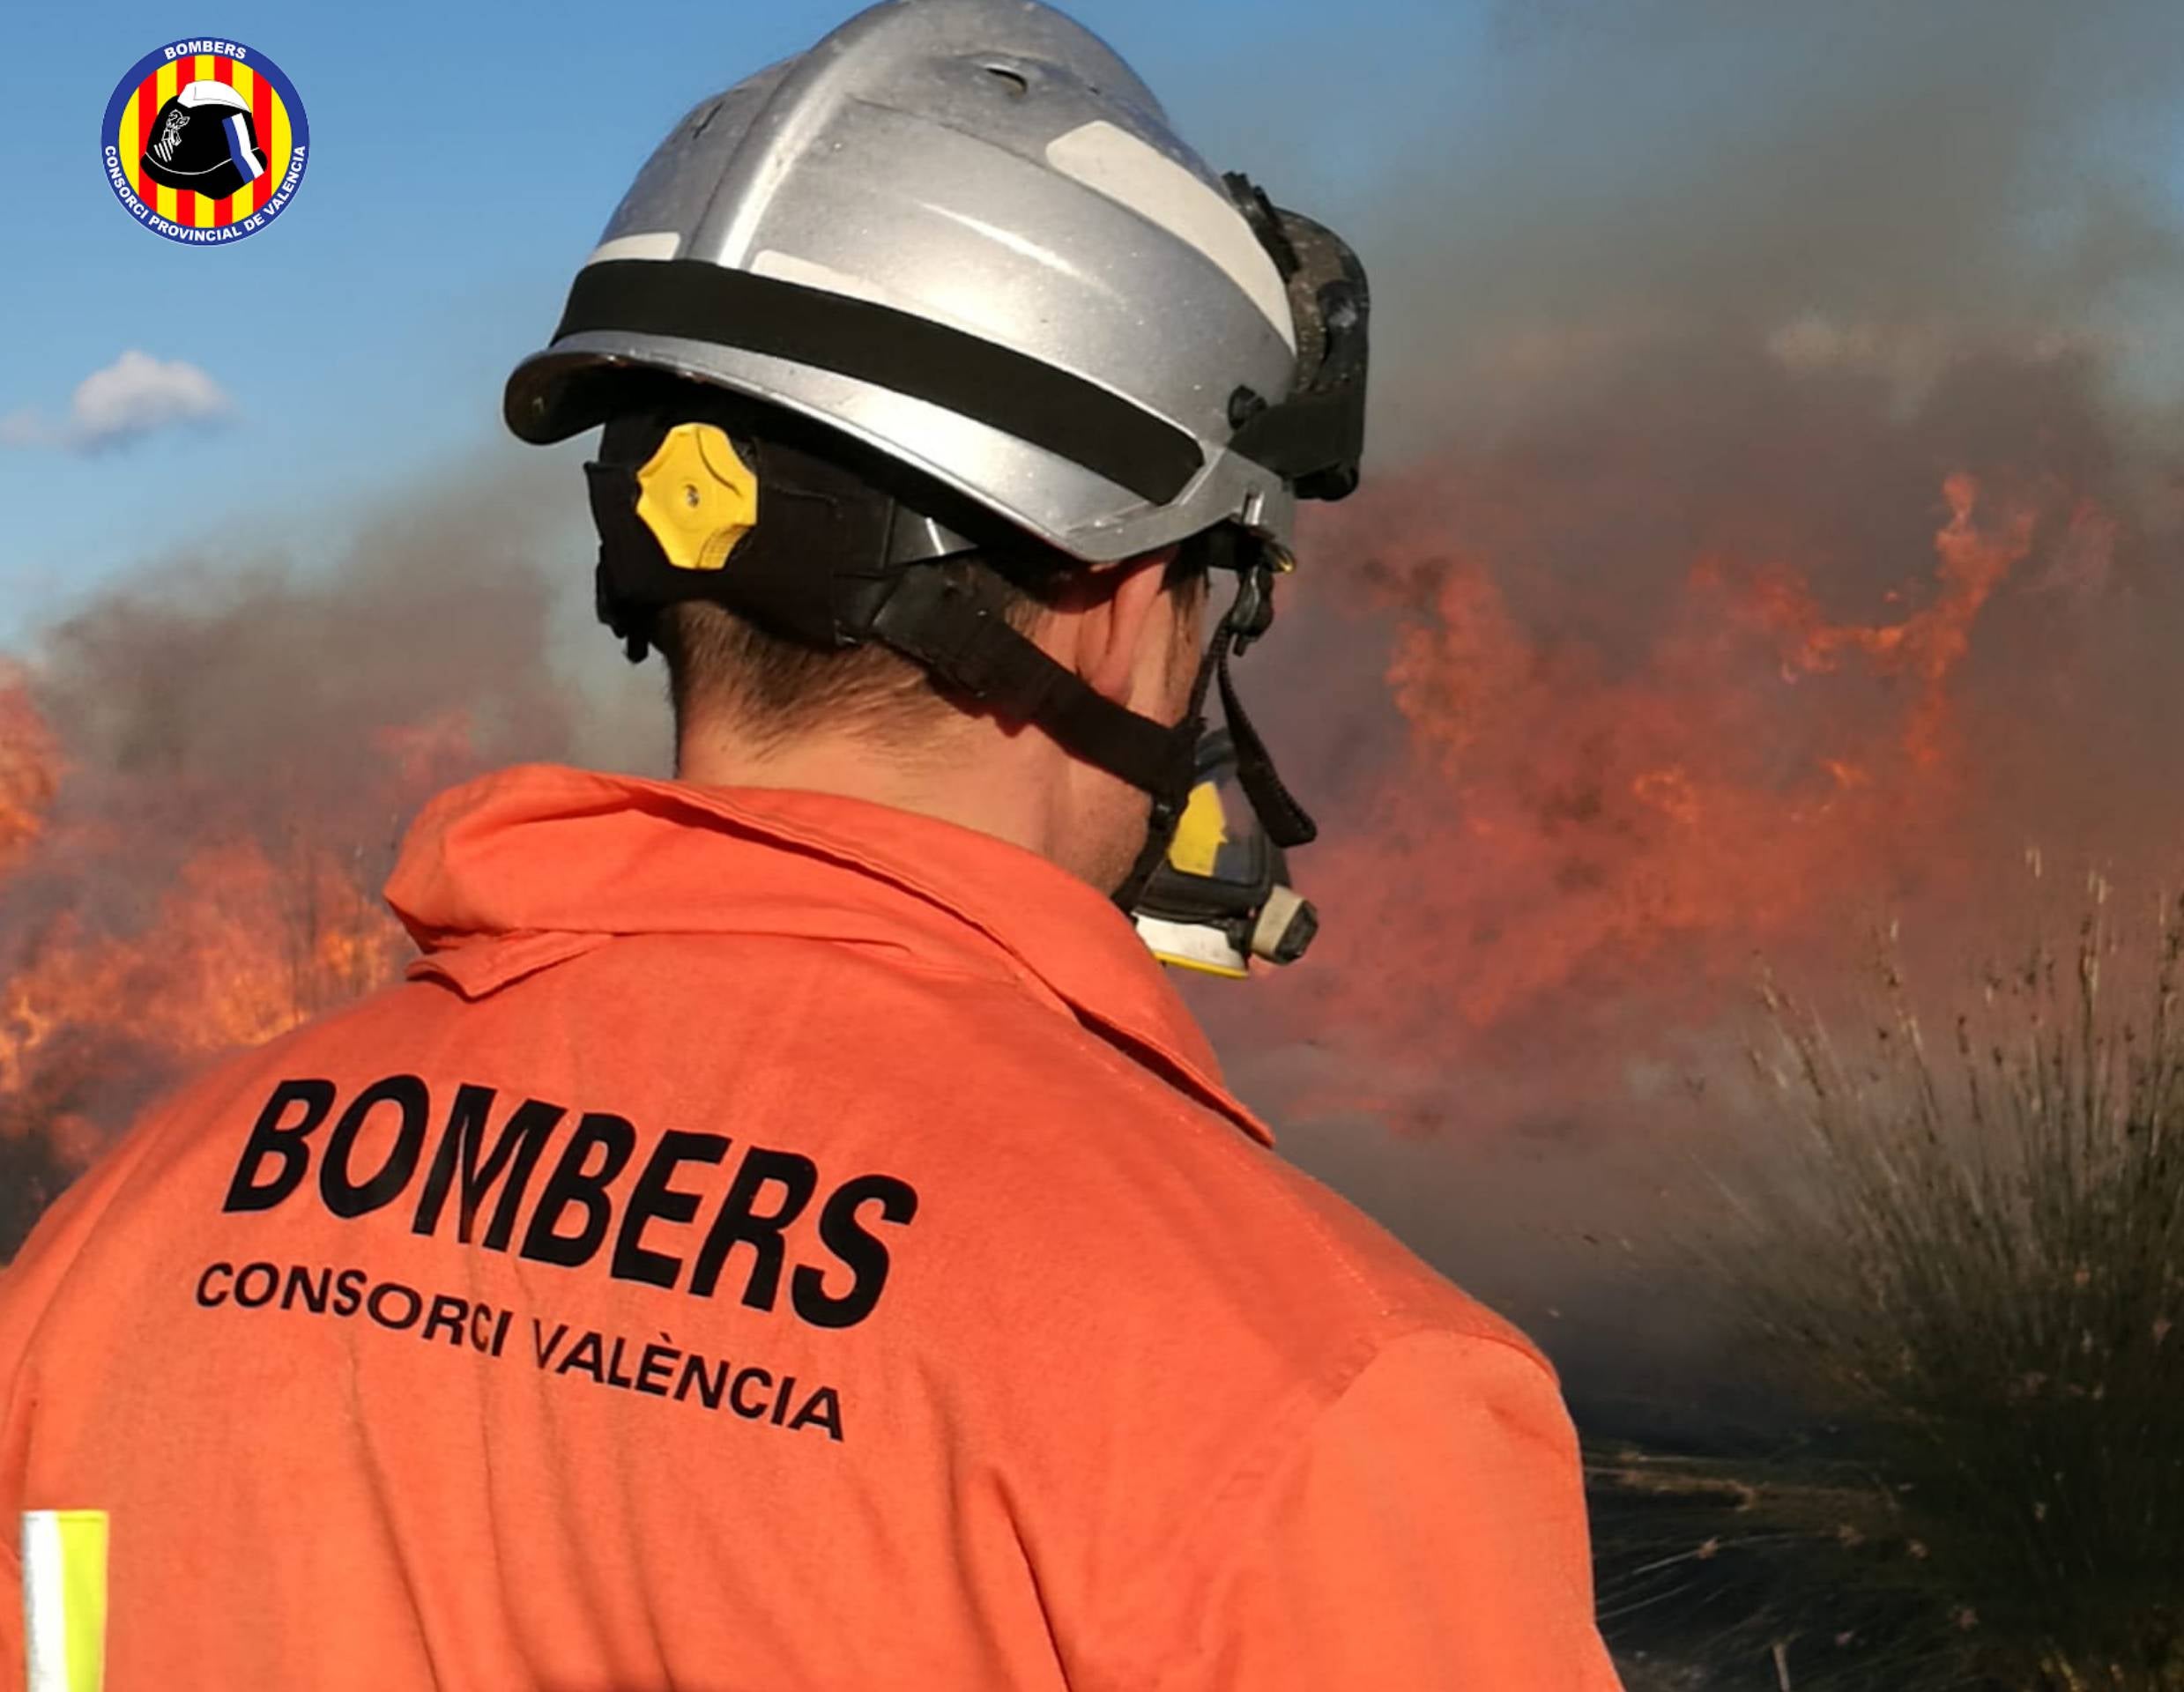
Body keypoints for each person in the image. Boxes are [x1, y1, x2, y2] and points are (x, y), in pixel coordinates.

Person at [0, 1, 1622, 1686]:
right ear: (1120, 605)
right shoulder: (1327, 1398)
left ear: (667, 562)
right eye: (1222, 596)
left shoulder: (126, 1235)